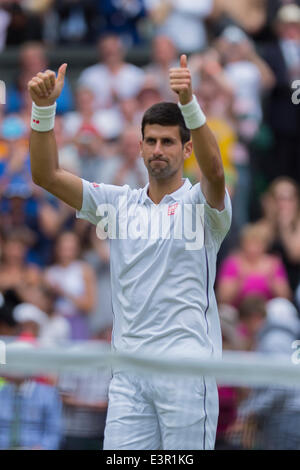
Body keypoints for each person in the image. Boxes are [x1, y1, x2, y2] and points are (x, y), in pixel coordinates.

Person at [27, 54, 231, 449]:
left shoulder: (203, 207)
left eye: (168, 141)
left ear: (186, 150)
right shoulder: (116, 205)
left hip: (185, 372)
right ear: (139, 148)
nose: (159, 149)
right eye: (151, 141)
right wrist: (43, 109)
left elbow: (217, 172)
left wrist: (188, 101)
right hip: (127, 377)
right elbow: (45, 174)